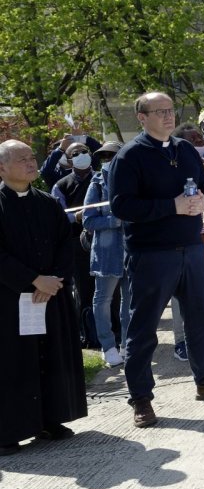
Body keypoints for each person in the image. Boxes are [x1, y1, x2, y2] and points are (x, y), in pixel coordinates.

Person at [108, 92, 204, 428]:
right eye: (160, 111)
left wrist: (202, 203)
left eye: (171, 110)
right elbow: (122, 207)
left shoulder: (184, 150)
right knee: (144, 329)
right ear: (142, 117)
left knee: (200, 319)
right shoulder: (129, 156)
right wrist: (173, 206)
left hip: (191, 247)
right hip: (151, 254)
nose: (168, 117)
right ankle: (141, 398)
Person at [0, 140, 89, 456]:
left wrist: (54, 280)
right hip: (10, 300)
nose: (30, 163)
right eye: (21, 159)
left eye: (31, 157)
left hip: (50, 296)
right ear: (2, 168)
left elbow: (67, 243)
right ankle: (9, 430)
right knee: (13, 362)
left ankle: (50, 419)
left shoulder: (47, 202)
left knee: (51, 355)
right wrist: (33, 279)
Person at [83, 141, 130, 367]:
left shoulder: (134, 178)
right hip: (107, 253)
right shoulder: (97, 181)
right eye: (103, 156)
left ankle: (128, 345)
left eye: (112, 155)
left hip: (132, 250)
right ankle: (108, 346)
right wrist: (114, 220)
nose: (108, 159)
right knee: (103, 300)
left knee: (131, 303)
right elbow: (88, 219)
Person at [51, 141, 98, 349]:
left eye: (84, 151)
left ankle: (114, 332)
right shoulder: (61, 185)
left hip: (105, 238)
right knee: (84, 289)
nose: (81, 155)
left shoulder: (102, 178)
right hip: (77, 244)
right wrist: (77, 217)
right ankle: (88, 334)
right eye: (75, 153)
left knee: (111, 292)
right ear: (69, 160)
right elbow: (58, 216)